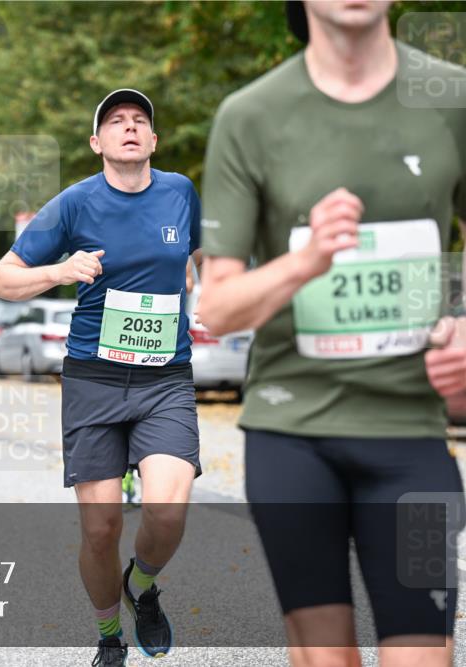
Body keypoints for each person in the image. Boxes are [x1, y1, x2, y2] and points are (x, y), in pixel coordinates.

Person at [198, 2, 466, 665]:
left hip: (412, 442)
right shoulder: (250, 116)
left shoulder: (452, 99)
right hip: (293, 439)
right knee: (324, 657)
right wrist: (305, 260)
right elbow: (219, 307)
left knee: (424, 654)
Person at [0, 91, 202, 665]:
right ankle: (110, 635)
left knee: (167, 509)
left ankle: (143, 585)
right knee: (102, 527)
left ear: (153, 141)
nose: (129, 128)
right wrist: (59, 270)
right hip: (94, 380)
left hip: (166, 379)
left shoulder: (181, 192)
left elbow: (191, 260)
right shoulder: (73, 205)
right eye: (115, 122)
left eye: (139, 122)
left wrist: (198, 301)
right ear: (97, 142)